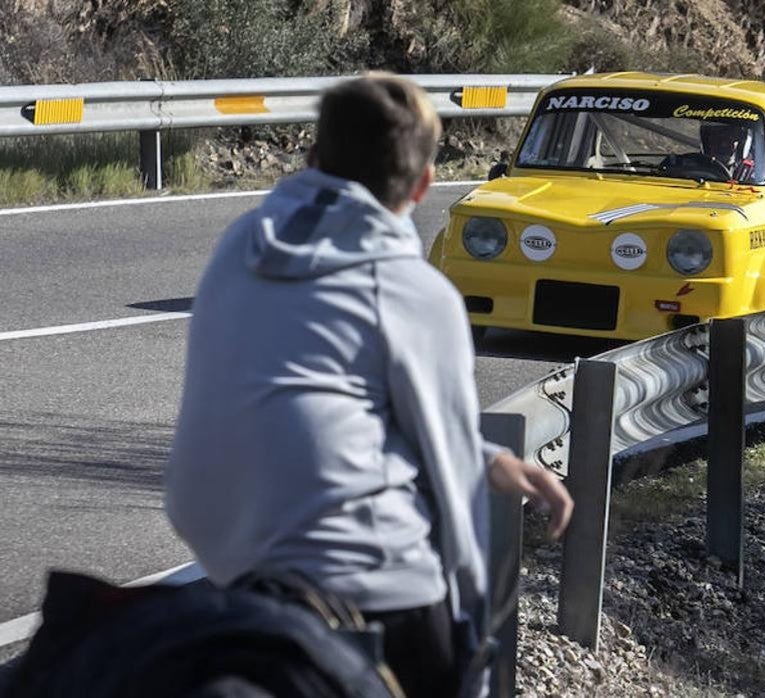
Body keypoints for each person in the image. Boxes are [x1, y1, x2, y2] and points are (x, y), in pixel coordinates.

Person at [164, 73, 572, 698]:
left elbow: (318, 398)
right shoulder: (412, 291)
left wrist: (488, 459)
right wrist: (467, 633)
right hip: (366, 587)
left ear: (311, 157)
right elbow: (451, 482)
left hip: (228, 561)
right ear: (425, 184)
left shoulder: (241, 242)